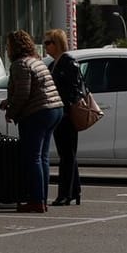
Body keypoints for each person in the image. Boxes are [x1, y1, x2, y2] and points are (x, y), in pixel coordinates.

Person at [0, 29, 63, 213]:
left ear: (14, 47)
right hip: (54, 109)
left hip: (37, 113)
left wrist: (12, 111)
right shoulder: (37, 61)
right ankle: (41, 198)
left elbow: (23, 93)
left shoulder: (20, 64)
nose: (7, 48)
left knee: (32, 157)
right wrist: (8, 101)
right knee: (42, 157)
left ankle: (36, 200)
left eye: (9, 45)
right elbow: (31, 89)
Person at [44, 29, 82, 207]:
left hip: (66, 114)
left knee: (67, 155)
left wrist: (65, 106)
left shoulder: (68, 62)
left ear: (57, 43)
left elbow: (75, 89)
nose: (46, 46)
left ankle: (65, 194)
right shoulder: (53, 64)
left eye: (48, 42)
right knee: (67, 154)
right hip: (58, 113)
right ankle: (74, 191)